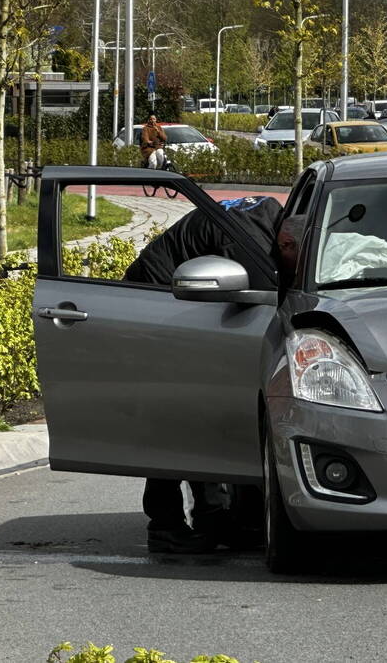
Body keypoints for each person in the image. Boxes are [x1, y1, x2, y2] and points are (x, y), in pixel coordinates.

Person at [124, 194, 286, 553]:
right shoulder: (253, 244)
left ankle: (216, 517)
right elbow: (270, 311)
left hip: (186, 299)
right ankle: (165, 524)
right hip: (158, 300)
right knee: (180, 414)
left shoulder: (270, 213)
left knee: (204, 409)